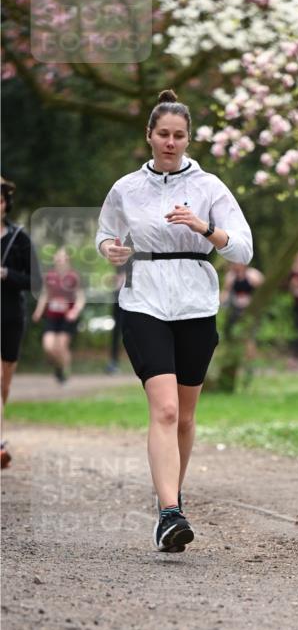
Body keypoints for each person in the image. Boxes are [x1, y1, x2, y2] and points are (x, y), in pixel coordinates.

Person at [95, 88, 253, 553]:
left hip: (196, 304)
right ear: (149, 135)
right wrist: (110, 249)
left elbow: (243, 250)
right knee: (164, 409)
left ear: (188, 139)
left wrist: (204, 228)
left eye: (178, 135)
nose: (170, 142)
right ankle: (168, 513)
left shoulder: (209, 187)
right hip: (143, 299)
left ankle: (172, 499)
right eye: (163, 133)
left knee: (184, 417)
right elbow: (104, 233)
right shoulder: (126, 188)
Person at [1, 176, 42, 468]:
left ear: (6, 204)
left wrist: (7, 275)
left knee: (4, 384)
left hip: (11, 316)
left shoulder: (19, 238)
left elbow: (35, 281)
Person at [32, 246, 85, 382]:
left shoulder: (73, 277)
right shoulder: (50, 276)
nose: (60, 259)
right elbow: (45, 295)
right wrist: (38, 311)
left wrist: (75, 311)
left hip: (67, 317)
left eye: (62, 256)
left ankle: (64, 373)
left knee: (61, 346)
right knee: (48, 347)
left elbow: (80, 297)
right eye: (58, 256)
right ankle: (59, 367)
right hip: (52, 316)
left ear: (68, 259)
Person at [220, 261, 264, 342]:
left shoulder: (253, 274)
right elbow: (226, 291)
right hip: (236, 304)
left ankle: (253, 338)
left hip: (250, 304)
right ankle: (230, 339)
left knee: (251, 322)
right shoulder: (231, 276)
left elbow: (262, 289)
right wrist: (220, 303)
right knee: (232, 320)